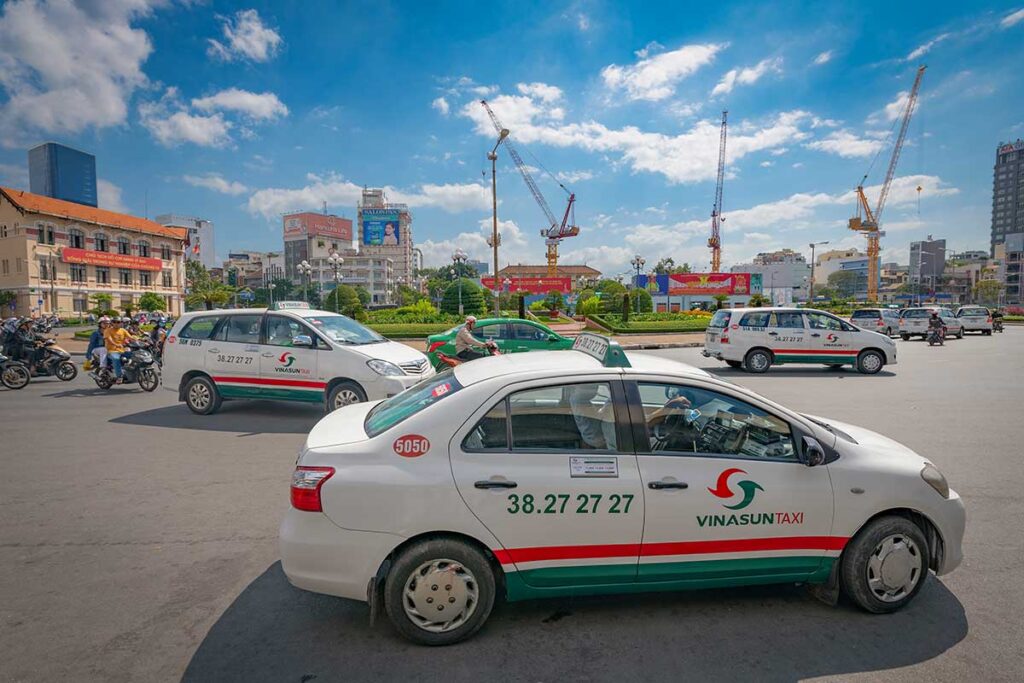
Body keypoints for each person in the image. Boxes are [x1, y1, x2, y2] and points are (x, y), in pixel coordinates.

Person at [568, 384, 616, 450]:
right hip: (597, 438)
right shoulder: (578, 401)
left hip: (593, 438)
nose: (596, 391)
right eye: (594, 387)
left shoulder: (576, 401)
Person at [104, 317, 132, 383]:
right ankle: (119, 376)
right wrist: (116, 344)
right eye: (114, 322)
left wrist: (141, 340)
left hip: (122, 350)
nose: (116, 324)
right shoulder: (107, 330)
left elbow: (131, 337)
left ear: (121, 323)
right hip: (111, 351)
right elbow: (109, 339)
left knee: (133, 355)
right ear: (112, 323)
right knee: (116, 359)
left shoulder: (123, 330)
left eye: (118, 322)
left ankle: (130, 371)